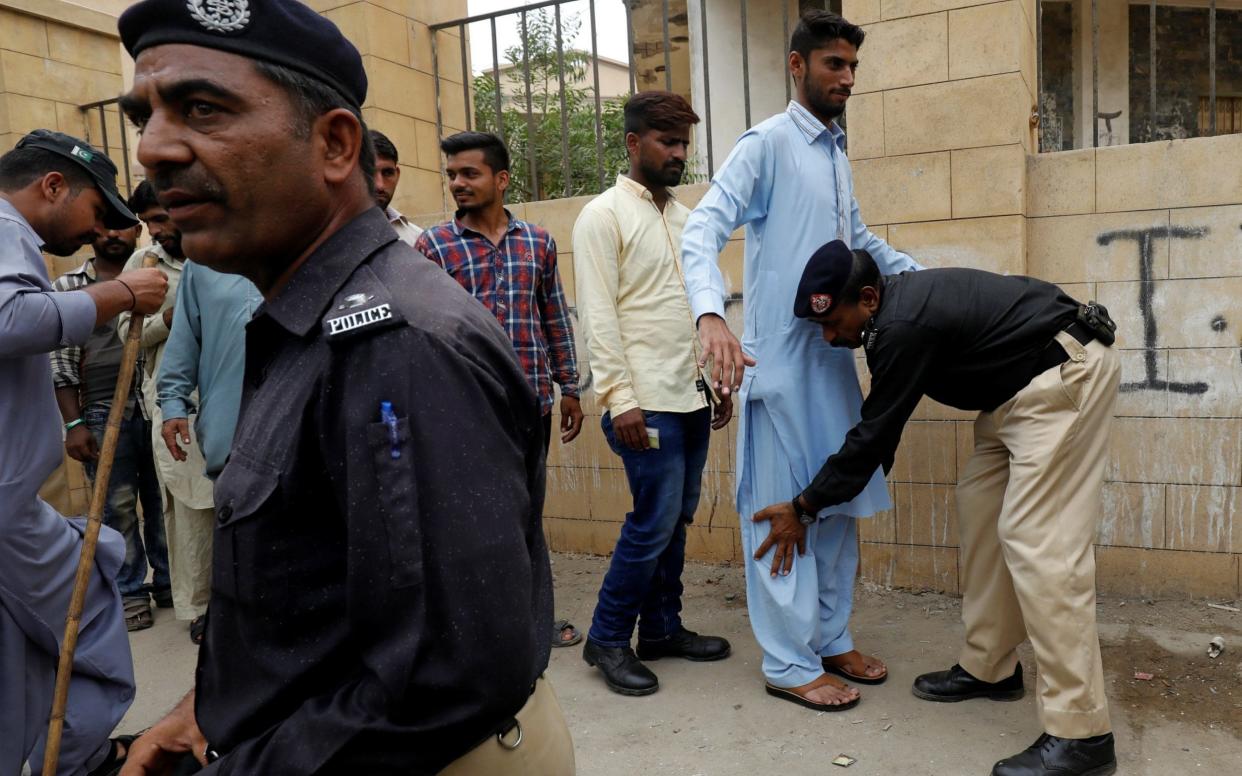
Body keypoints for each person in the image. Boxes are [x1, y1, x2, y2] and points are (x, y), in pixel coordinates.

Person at [116, 1, 573, 773]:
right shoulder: (310, 319)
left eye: (201, 108)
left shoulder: (396, 348)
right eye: (144, 115)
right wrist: (208, 712)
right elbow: (324, 605)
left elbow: (445, 679)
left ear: (333, 144)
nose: (154, 149)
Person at [782, 241, 1120, 776]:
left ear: (868, 298)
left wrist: (803, 506)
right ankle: (990, 667)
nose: (829, 337)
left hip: (1063, 377)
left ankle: (1083, 735)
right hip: (1014, 395)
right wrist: (837, 501)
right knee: (982, 514)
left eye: (834, 322)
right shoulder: (890, 319)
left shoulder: (901, 327)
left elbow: (873, 436)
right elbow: (882, 437)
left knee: (1041, 544)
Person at [679, 9, 921, 710]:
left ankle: (829, 637)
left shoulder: (835, 154)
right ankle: (788, 664)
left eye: (851, 66)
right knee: (780, 517)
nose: (846, 77)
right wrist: (711, 316)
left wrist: (932, 285)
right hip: (777, 375)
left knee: (836, 507)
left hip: (834, 367)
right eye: (832, 65)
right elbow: (703, 229)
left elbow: (862, 243)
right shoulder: (769, 144)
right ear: (797, 66)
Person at [0, 129, 167, 776]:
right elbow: (10, 318)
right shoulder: (6, 226)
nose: (101, 232)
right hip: (8, 505)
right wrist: (119, 296)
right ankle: (78, 761)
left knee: (20, 648)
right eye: (98, 212)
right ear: (52, 186)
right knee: (92, 598)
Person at [573, 91, 733, 696]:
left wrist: (715, 378)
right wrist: (619, 399)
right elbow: (598, 316)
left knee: (677, 520)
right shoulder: (603, 216)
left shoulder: (687, 220)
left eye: (684, 143)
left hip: (689, 396)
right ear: (634, 143)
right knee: (652, 522)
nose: (678, 153)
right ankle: (608, 637)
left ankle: (662, 629)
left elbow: (698, 308)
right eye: (667, 141)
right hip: (643, 403)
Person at [415, 130, 585, 650]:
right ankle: (482, 622)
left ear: (501, 179)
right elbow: (423, 330)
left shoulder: (538, 242)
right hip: (466, 408)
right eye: (452, 175)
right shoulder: (434, 246)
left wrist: (570, 384)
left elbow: (553, 315)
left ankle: (535, 618)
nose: (458, 184)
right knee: (473, 518)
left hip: (532, 403)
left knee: (528, 511)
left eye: (469, 173)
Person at [52, 210, 172, 633]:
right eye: (104, 226)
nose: (113, 234)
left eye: (122, 225)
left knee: (162, 500)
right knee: (116, 506)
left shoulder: (155, 276)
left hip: (154, 404)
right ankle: (131, 590)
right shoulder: (68, 287)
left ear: (136, 230)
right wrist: (74, 424)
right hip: (104, 411)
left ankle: (170, 581)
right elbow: (60, 364)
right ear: (92, 232)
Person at [117, 181, 221, 644]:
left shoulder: (220, 251)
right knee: (192, 509)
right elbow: (127, 335)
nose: (156, 230)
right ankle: (200, 607)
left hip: (227, 394)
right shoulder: (144, 263)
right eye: (150, 222)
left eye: (162, 218)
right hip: (177, 403)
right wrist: (169, 320)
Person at [369, 129, 422, 246]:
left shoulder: (417, 239)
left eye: (387, 173)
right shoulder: (327, 236)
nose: (380, 185)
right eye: (370, 173)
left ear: (397, 174)